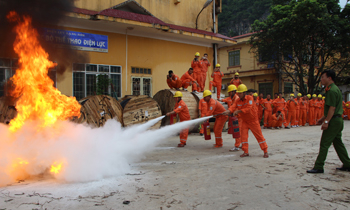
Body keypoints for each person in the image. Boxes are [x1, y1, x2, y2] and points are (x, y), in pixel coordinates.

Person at [307, 70, 350, 173]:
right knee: (338, 143)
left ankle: (319, 166)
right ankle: (348, 164)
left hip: (333, 121)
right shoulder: (334, 89)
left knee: (324, 144)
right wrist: (322, 119)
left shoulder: (331, 90)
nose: (321, 79)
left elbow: (332, 108)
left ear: (329, 78)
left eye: (323, 77)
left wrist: (326, 122)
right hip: (337, 120)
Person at [223, 84, 269, 158]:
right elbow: (233, 106)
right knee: (243, 137)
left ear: (244, 93)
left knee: (259, 136)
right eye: (238, 93)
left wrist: (238, 111)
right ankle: (245, 151)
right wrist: (228, 111)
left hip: (253, 121)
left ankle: (265, 151)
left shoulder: (249, 98)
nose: (239, 94)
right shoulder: (238, 100)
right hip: (245, 121)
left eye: (240, 93)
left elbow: (249, 108)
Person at [222, 85, 241, 151]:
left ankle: (237, 146)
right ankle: (241, 144)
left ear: (234, 91)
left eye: (230, 92)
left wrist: (229, 111)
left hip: (238, 117)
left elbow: (234, 107)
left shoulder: (236, 98)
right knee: (239, 132)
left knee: (237, 132)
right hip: (235, 117)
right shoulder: (233, 98)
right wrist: (228, 111)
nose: (229, 93)